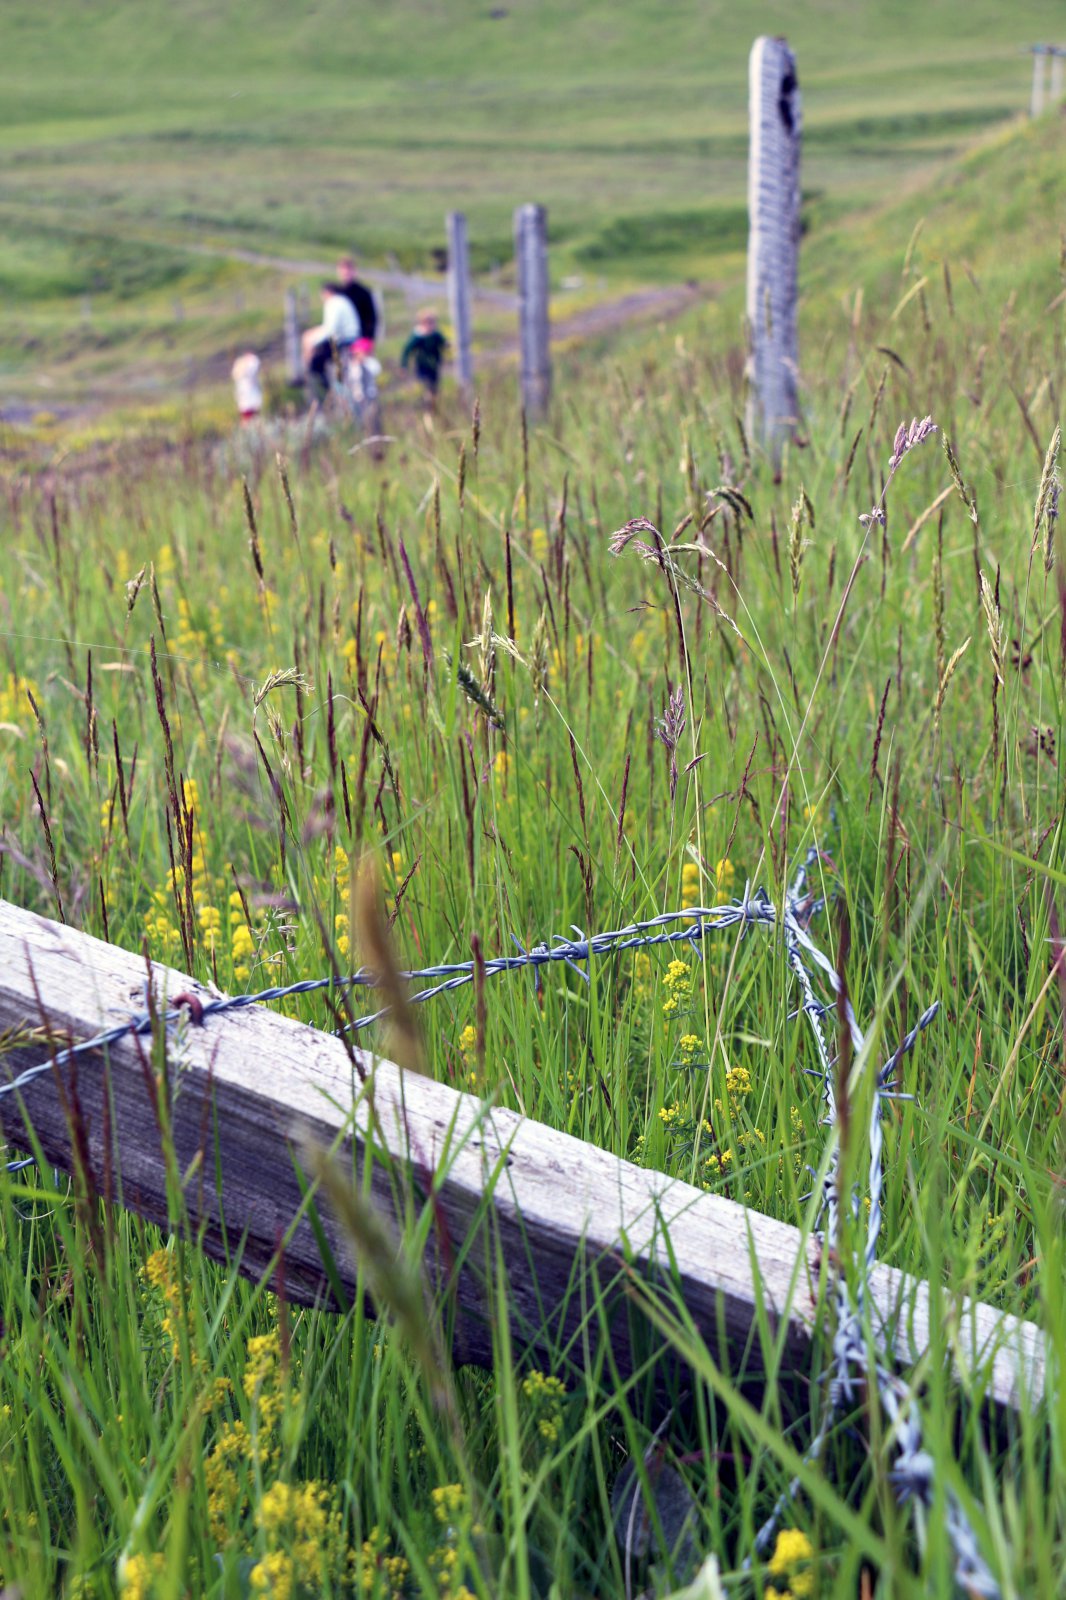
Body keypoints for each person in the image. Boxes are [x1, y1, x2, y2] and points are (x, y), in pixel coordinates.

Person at [302, 283, 359, 399]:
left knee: (316, 363)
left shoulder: (333, 303)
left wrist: (314, 342)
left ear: (326, 293)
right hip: (349, 337)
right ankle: (330, 389)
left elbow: (330, 330)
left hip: (345, 340)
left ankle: (329, 390)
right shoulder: (342, 301)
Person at [401, 309, 449, 402]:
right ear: (422, 323)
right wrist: (404, 365)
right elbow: (407, 350)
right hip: (422, 366)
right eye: (429, 323)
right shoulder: (418, 337)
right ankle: (426, 405)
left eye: (433, 322)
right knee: (425, 385)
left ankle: (433, 405)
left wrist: (447, 344)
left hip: (434, 365)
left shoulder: (435, 334)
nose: (431, 325)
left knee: (434, 386)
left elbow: (442, 342)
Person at [336, 256, 378, 356]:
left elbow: (371, 318)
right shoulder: (338, 294)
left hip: (360, 336)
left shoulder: (364, 293)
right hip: (341, 336)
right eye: (343, 272)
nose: (346, 274)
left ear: (354, 272)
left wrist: (368, 340)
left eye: (348, 271)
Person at [231, 352, 262, 423]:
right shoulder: (241, 366)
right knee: (247, 417)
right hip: (247, 397)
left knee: (253, 415)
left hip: (251, 396)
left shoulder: (250, 364)